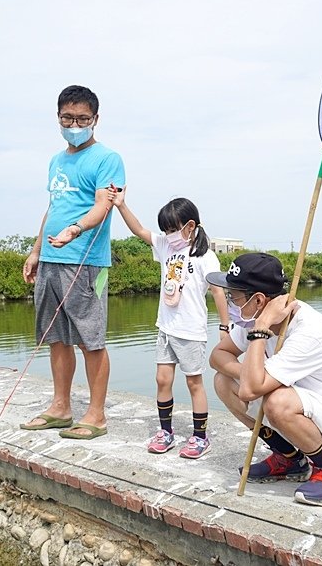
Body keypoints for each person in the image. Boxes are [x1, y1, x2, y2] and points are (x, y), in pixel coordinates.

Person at [208, 252, 322, 506]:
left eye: (234, 296)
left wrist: (262, 328)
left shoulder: (307, 331)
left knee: (276, 400)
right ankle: (289, 458)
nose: (229, 302)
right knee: (223, 381)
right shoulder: (252, 320)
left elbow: (250, 391)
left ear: (259, 300)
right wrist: (249, 370)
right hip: (307, 413)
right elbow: (218, 356)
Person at [20, 85, 125, 440]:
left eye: (82, 119)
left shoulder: (108, 159)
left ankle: (96, 415)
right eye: (68, 118)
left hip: (85, 260)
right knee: (56, 338)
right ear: (58, 118)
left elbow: (102, 205)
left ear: (95, 120)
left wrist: (75, 230)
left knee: (89, 339)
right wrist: (37, 250)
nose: (74, 124)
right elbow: (53, 208)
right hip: (51, 258)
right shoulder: (55, 161)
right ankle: (60, 407)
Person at [113, 193, 229, 459]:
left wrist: (225, 327)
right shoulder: (165, 247)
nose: (169, 234)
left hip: (190, 331)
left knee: (193, 383)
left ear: (190, 226)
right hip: (165, 328)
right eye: (166, 229)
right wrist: (121, 205)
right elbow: (139, 230)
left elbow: (218, 292)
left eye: (173, 229)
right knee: (162, 379)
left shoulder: (205, 256)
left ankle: (200, 437)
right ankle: (166, 432)